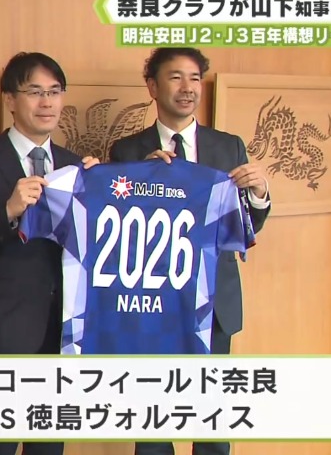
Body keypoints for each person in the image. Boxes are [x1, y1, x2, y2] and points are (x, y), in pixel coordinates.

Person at [108, 47, 271, 455]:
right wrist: (141, 180)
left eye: (195, 78)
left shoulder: (228, 147)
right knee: (154, 424)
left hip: (214, 302)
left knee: (212, 422)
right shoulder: (128, 152)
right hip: (153, 303)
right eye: (175, 77)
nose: (188, 88)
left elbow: (245, 227)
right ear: (152, 87)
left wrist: (259, 193)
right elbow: (117, 231)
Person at [0, 51, 99, 455]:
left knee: (48, 447)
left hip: (62, 331)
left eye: (54, 91)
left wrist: (101, 192)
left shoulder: (75, 166)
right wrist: (9, 211)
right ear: (10, 99)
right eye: (34, 91)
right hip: (3, 331)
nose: (47, 102)